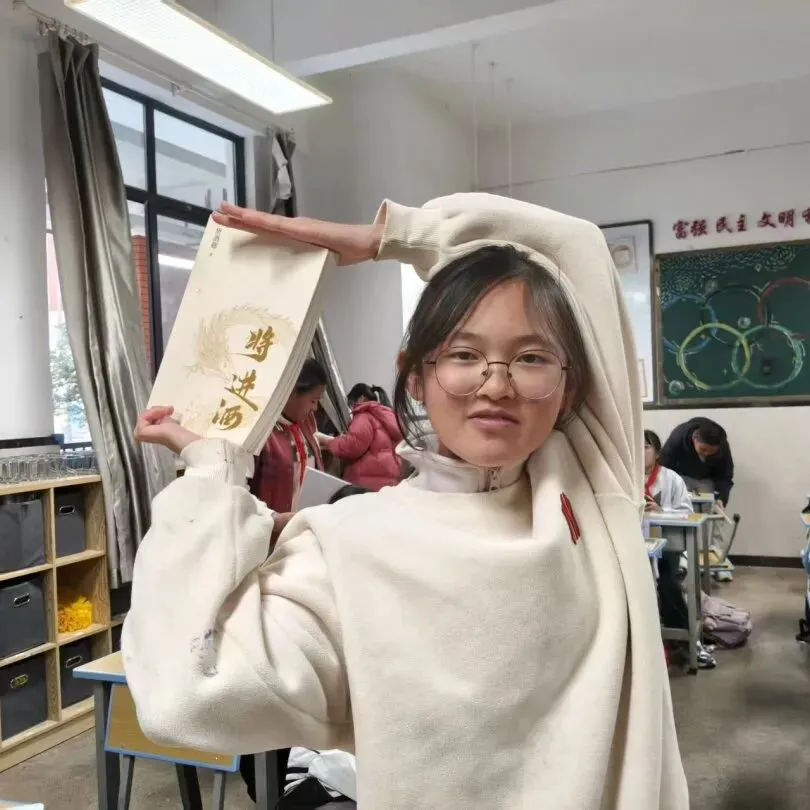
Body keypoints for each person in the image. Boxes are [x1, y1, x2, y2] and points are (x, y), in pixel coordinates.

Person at [124, 195, 688, 809]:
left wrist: (388, 238)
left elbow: (577, 245)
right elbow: (185, 696)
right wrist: (211, 476)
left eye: (531, 358)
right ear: (414, 375)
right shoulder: (347, 547)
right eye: (464, 355)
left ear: (568, 385)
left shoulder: (592, 485)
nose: (497, 384)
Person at [241, 357, 327, 802]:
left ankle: (289, 763)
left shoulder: (298, 428)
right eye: (310, 401)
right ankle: (263, 768)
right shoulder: (257, 435)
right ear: (290, 393)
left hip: (296, 547)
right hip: (264, 552)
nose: (314, 410)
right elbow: (239, 502)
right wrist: (274, 522)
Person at [644, 430, 715, 670]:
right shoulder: (623, 477)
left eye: (646, 447)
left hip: (668, 547)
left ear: (657, 452)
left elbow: (687, 511)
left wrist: (660, 510)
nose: (640, 452)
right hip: (638, 548)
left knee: (668, 585)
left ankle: (689, 644)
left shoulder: (671, 478)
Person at [319, 383, 403, 491]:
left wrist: (327, 440)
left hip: (365, 485)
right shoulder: (387, 416)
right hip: (388, 484)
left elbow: (352, 446)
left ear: (361, 398)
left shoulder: (364, 416)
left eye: (351, 402)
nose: (351, 407)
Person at [660, 417, 734, 506]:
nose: (706, 454)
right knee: (680, 506)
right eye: (703, 449)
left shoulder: (722, 447)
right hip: (682, 476)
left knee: (707, 507)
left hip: (707, 480)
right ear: (694, 438)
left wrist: (721, 499)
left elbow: (725, 476)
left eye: (712, 451)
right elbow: (664, 467)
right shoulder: (678, 437)